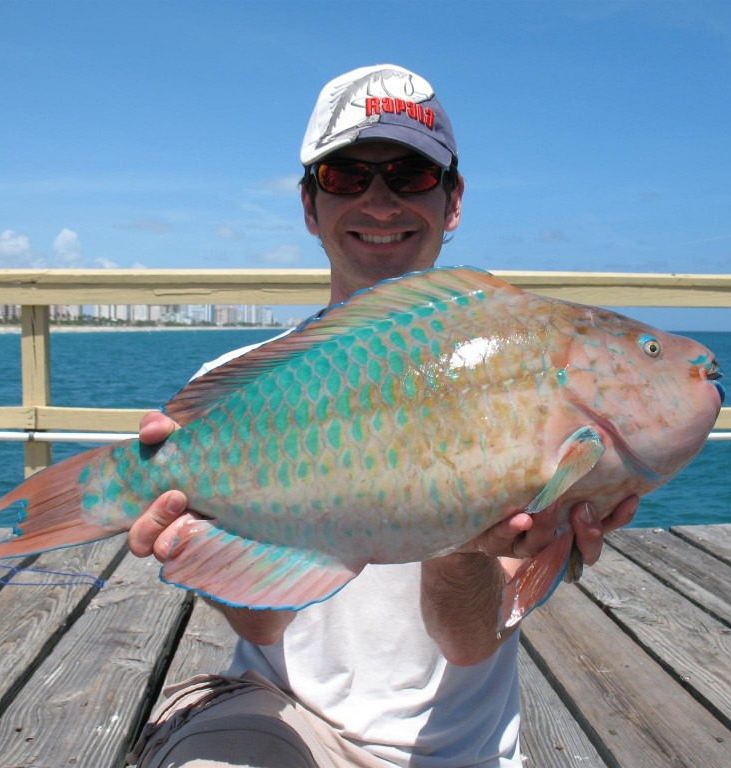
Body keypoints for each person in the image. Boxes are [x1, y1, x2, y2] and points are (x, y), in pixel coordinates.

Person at [126, 64, 638, 768]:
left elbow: (469, 642)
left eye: (410, 174)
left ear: (452, 201)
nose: (380, 200)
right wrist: (210, 555)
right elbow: (266, 626)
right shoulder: (229, 388)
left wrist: (464, 537)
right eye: (345, 177)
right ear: (309, 207)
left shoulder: (524, 381)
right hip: (282, 723)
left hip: (461, 753)